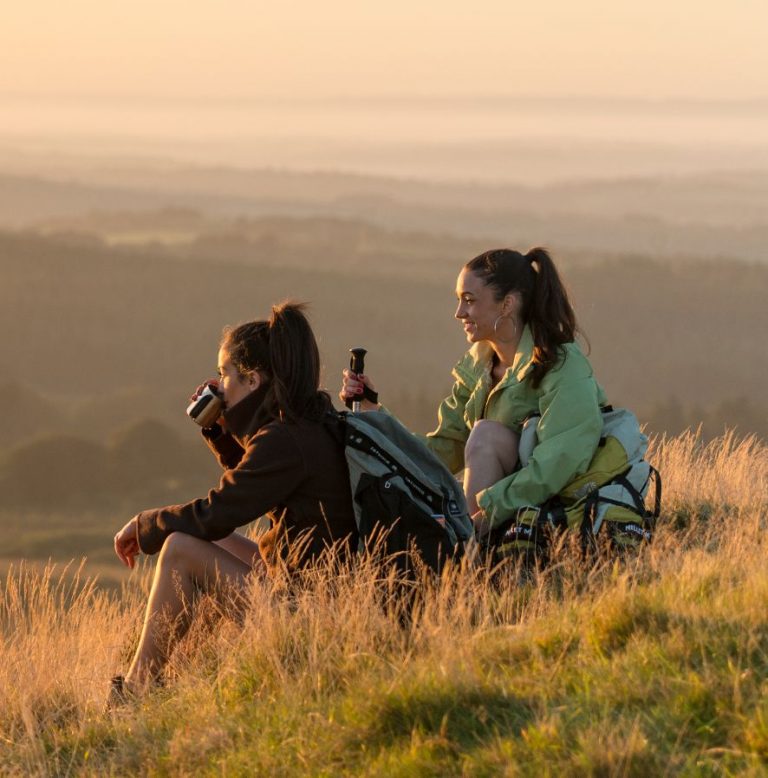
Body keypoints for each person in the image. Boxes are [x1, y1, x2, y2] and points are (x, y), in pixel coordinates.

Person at [111, 302, 357, 701]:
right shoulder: (309, 420)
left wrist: (144, 525)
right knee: (214, 545)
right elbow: (255, 482)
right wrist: (221, 433)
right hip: (324, 596)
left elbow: (218, 512)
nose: (219, 387)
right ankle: (185, 677)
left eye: (225, 374)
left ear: (253, 380)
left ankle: (137, 691)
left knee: (180, 549)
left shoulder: (285, 438)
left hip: (312, 619)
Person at [340, 247, 608, 540]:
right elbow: (440, 455)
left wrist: (480, 513)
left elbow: (558, 466)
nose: (459, 313)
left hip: (559, 503)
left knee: (485, 436)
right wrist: (375, 413)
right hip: (496, 509)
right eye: (459, 300)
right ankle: (462, 549)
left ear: (507, 304)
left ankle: (464, 553)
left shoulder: (562, 366)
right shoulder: (478, 367)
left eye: (469, 301)